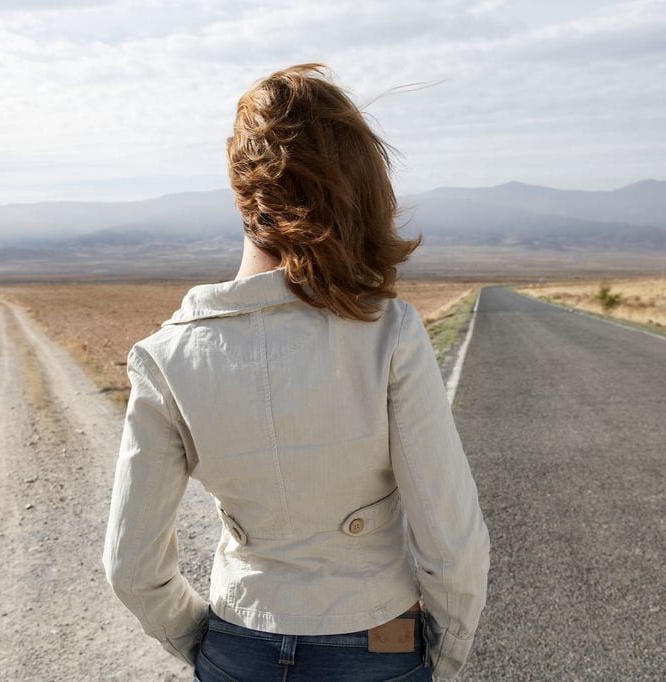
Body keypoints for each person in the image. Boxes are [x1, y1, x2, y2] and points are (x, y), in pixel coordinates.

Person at [102, 63, 490, 681]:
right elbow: (452, 544)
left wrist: (209, 645)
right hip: (378, 643)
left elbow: (130, 568)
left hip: (240, 643)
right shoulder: (388, 333)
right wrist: (438, 660)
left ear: (240, 189)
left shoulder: (165, 356)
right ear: (357, 190)